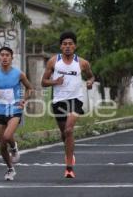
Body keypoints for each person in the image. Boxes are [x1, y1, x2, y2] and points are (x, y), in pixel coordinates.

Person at [41, 31, 94, 178]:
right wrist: (55, 82)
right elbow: (43, 82)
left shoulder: (82, 63)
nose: (68, 46)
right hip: (59, 101)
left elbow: (91, 76)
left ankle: (69, 167)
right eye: (64, 44)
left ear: (75, 46)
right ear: (61, 46)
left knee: (69, 130)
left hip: (76, 100)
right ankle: (69, 152)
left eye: (70, 44)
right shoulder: (53, 61)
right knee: (65, 134)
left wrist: (90, 82)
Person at [0, 46, 33, 181]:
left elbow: (30, 88)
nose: (4, 57)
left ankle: (14, 146)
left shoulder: (19, 74)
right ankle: (10, 169)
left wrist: (24, 100)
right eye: (2, 55)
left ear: (12, 58)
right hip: (0, 111)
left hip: (15, 110)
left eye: (7, 55)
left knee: (7, 136)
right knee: (1, 145)